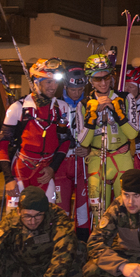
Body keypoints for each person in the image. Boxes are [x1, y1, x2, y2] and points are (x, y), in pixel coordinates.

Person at [0, 59, 71, 207]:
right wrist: (8, 179)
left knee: (48, 217)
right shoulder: (18, 108)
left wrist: (52, 168)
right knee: (16, 219)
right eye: (48, 82)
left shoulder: (62, 107)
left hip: (45, 172)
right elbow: (3, 144)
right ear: (36, 82)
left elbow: (65, 141)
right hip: (21, 170)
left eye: (55, 82)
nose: (53, 87)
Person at [77, 55, 138, 216]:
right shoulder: (84, 104)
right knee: (98, 212)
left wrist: (118, 112)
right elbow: (83, 141)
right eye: (97, 79)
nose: (103, 83)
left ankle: (124, 240)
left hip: (122, 157)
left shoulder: (126, 98)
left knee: (126, 210)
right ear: (90, 80)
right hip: (97, 159)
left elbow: (133, 133)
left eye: (106, 77)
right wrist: (91, 117)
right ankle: (100, 240)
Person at [58, 68, 92, 238]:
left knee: (83, 206)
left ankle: (83, 242)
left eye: (80, 90)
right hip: (62, 160)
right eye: (73, 90)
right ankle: (62, 240)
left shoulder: (88, 104)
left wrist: (89, 149)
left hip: (82, 161)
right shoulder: (56, 104)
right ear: (65, 87)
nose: (76, 93)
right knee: (61, 206)